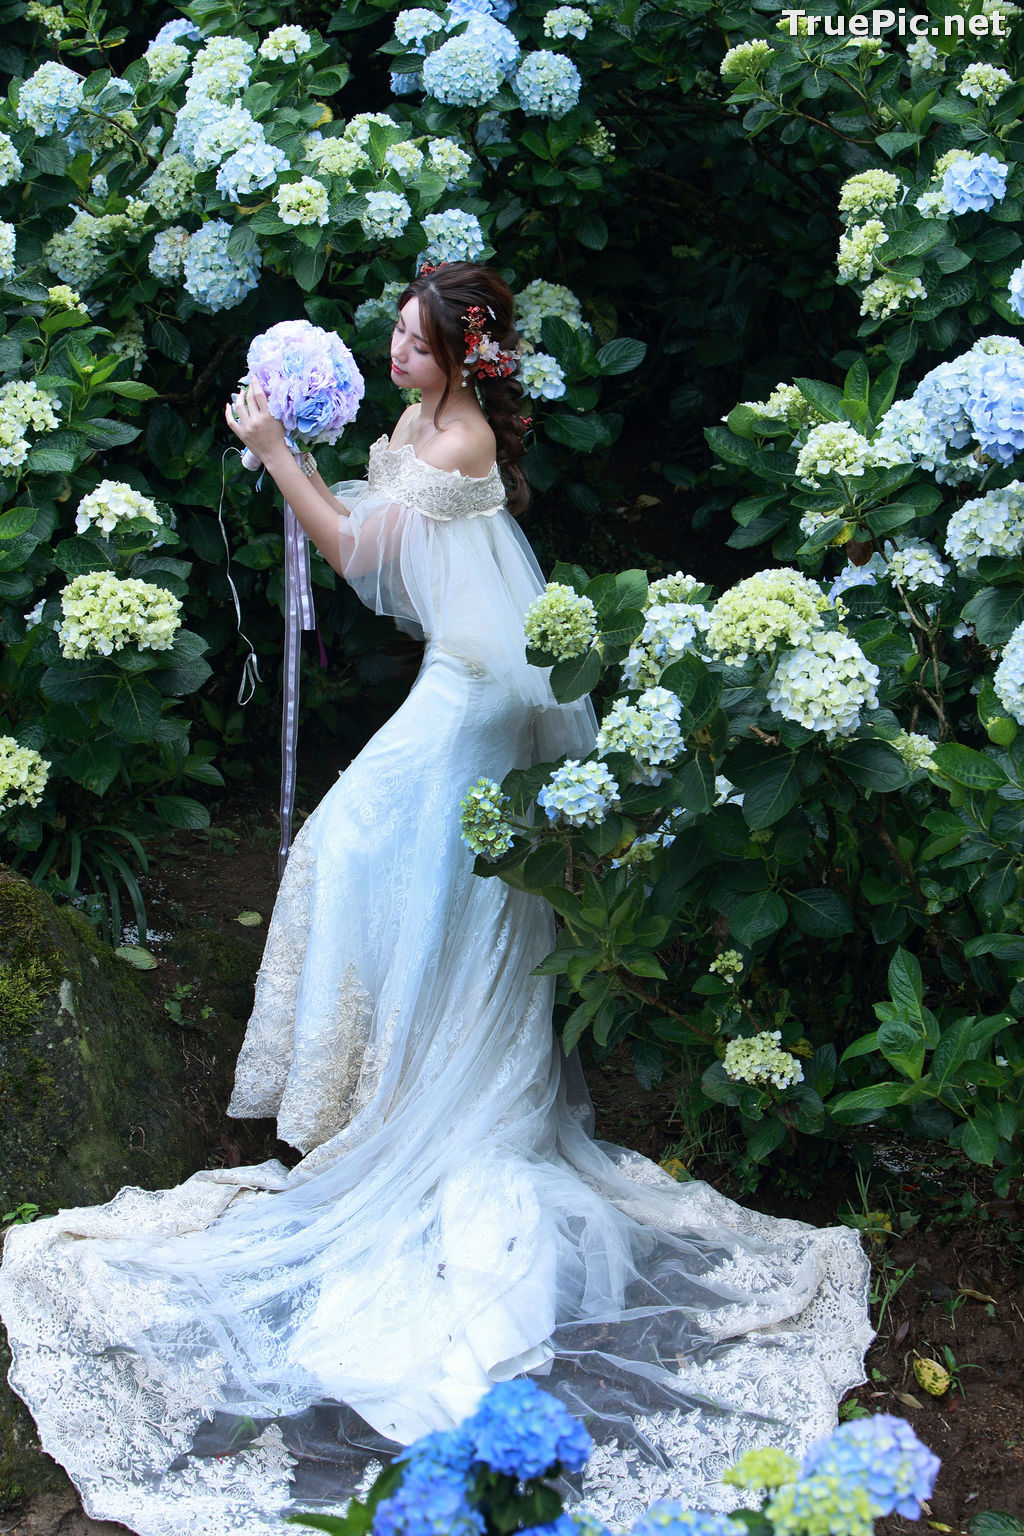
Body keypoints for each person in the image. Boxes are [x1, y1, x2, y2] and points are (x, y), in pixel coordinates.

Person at [0, 263, 872, 1536]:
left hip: (476, 703)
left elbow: (356, 549)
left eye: (412, 343)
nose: (395, 357)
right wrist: (308, 446)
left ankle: (391, 1089)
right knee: (372, 859)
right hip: (452, 682)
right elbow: (386, 552)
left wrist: (273, 452)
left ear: (463, 361)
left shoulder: (454, 434)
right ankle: (370, 1078)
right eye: (395, 341)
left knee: (352, 848)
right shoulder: (416, 422)